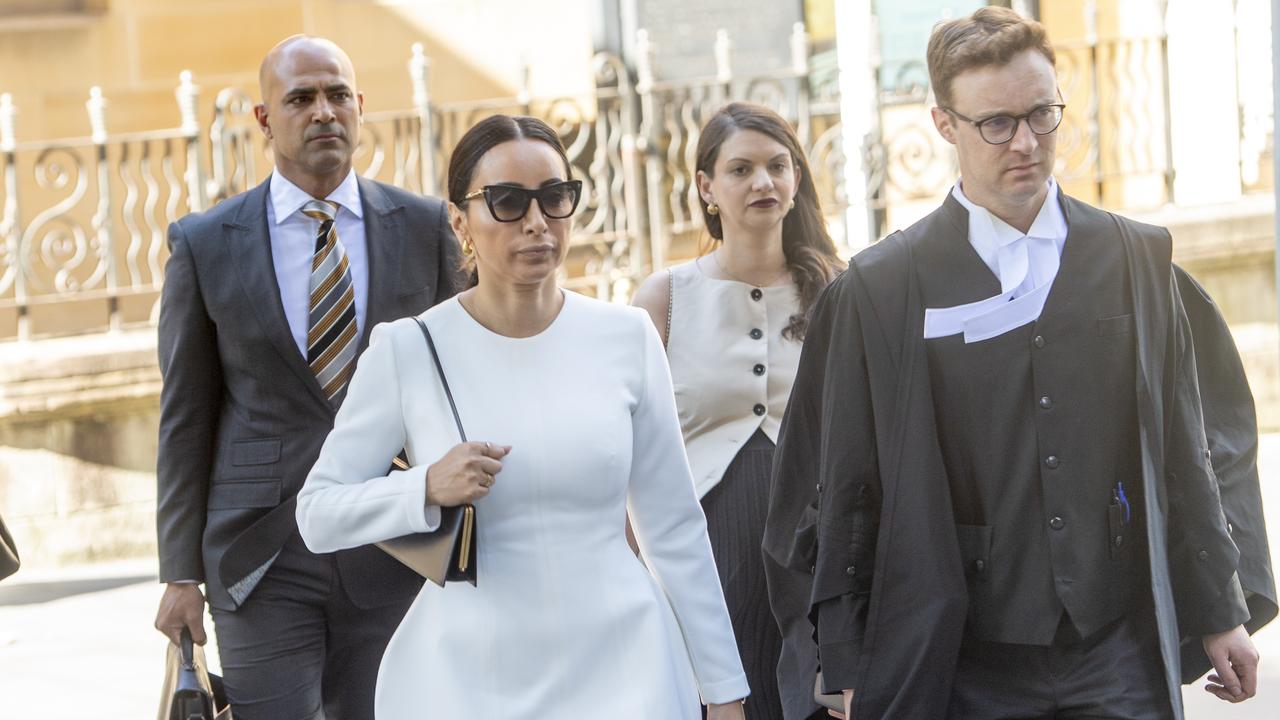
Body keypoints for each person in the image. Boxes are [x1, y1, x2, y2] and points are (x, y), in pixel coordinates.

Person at [763, 8, 1276, 720]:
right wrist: (843, 659)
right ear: (945, 125)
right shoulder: (884, 289)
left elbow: (1183, 448)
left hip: (1114, 647)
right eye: (997, 123)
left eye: (1043, 115)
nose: (1026, 143)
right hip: (964, 660)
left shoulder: (1132, 259)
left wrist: (1222, 610)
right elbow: (847, 480)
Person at [295, 114, 750, 719]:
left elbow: (674, 527)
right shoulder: (409, 349)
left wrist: (723, 690)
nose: (537, 222)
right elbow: (317, 515)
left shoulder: (626, 336)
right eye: (507, 201)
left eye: (554, 197)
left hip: (626, 669)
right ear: (460, 222)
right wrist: (423, 486)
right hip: (471, 681)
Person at [152, 35, 462, 720]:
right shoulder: (205, 244)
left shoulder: (423, 226)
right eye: (300, 98)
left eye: (337, 95)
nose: (323, 112)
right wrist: (179, 574)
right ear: (265, 118)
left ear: (360, 106)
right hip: (261, 555)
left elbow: (461, 383)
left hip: (397, 546)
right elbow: (185, 418)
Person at [634, 101, 842, 720]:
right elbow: (630, 451)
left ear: (796, 179)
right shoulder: (663, 298)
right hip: (704, 556)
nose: (763, 182)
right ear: (706, 186)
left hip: (815, 551)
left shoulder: (839, 291)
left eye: (778, 166)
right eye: (741, 168)